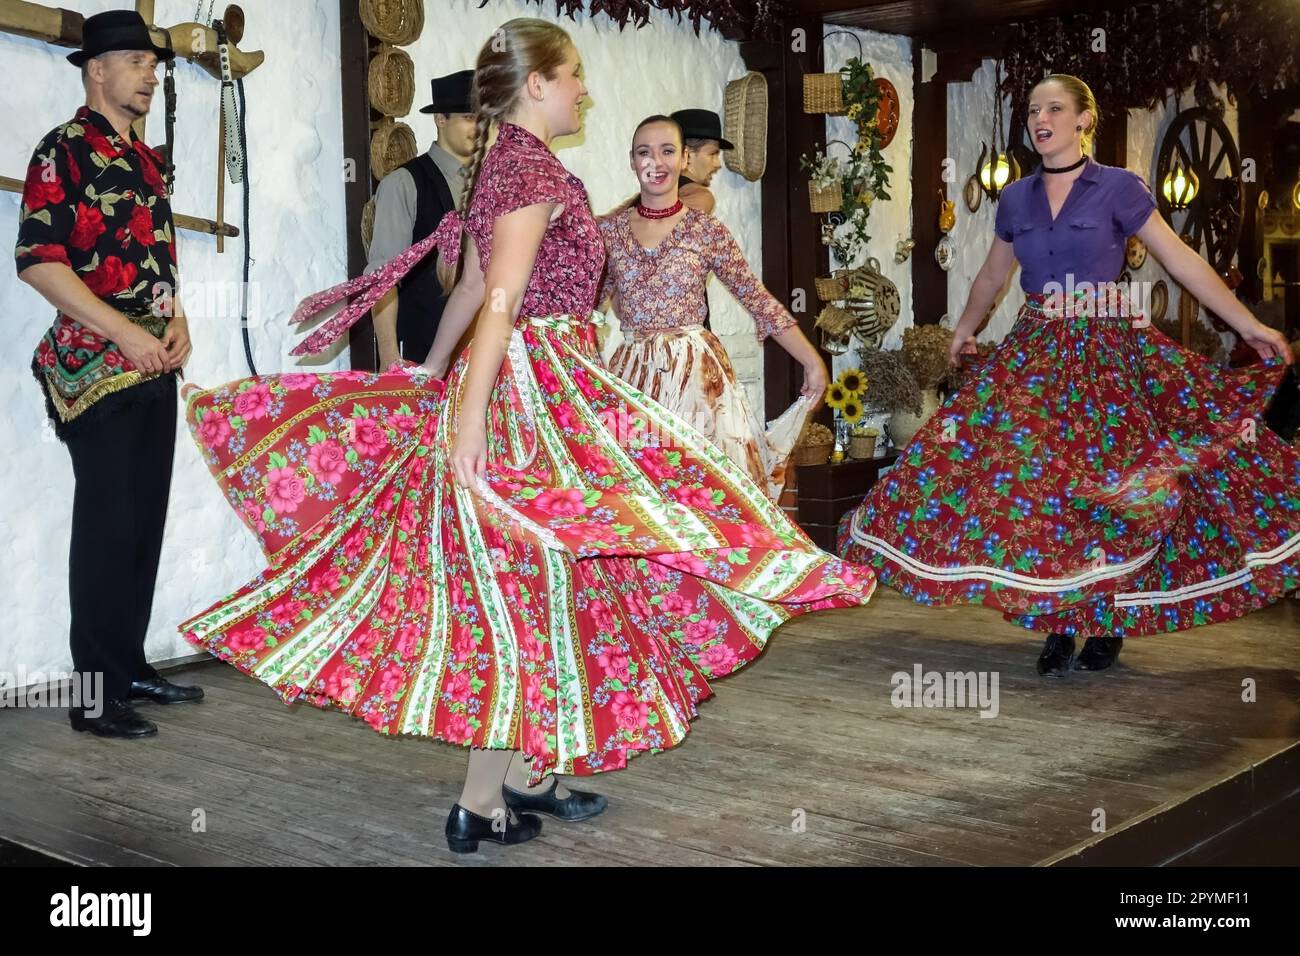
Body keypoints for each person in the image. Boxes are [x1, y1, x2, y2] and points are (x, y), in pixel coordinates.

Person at [179, 18, 875, 855]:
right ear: (537, 83)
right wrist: (464, 412)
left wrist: (436, 371)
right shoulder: (531, 167)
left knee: (537, 579)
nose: (583, 89)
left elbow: (475, 280)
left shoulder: (502, 163)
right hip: (537, 389)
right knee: (527, 588)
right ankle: (481, 800)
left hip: (536, 381)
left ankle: (517, 776)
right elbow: (501, 296)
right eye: (573, 74)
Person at [838, 73, 1297, 677]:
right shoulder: (1018, 198)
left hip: (1106, 353)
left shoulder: (1119, 189)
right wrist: (965, 329)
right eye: (1033, 109)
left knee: (1106, 485)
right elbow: (991, 275)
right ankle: (1057, 621)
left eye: (1054, 108)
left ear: (1085, 119)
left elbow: (1182, 260)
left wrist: (1246, 326)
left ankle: (1103, 621)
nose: (1039, 118)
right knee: (1041, 484)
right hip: (1037, 354)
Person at [15, 9, 203, 740]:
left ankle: (126, 665)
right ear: (97, 71)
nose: (150, 72)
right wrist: (124, 330)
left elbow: (155, 262)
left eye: (153, 64)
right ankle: (94, 697)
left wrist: (177, 316)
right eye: (135, 62)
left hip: (154, 360)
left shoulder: (148, 160)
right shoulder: (61, 150)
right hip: (96, 365)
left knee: (143, 521)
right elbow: (37, 261)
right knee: (106, 526)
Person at [599, 114, 822, 499]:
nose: (656, 162)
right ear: (632, 162)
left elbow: (757, 299)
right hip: (632, 378)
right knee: (638, 494)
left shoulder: (706, 231)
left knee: (701, 492)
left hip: (696, 382)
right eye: (644, 153)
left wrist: (812, 361)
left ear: (684, 159)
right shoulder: (610, 233)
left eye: (667, 151)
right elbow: (586, 308)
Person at [368, 70, 476, 368]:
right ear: (441, 119)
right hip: (421, 350)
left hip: (480, 355)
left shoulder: (488, 183)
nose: (480, 128)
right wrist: (390, 357)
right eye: (469, 117)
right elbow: (382, 277)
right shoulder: (404, 183)